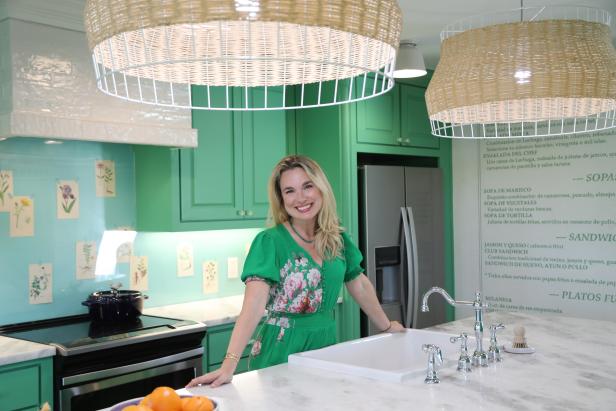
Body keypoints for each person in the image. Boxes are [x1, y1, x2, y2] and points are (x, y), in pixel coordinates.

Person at [186, 155, 404, 388]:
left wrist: (387, 326)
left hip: (326, 345)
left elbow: (358, 283)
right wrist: (228, 366)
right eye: (289, 191)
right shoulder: (269, 241)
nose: (300, 198)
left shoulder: (337, 239)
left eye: (307, 186)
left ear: (321, 188)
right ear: (281, 199)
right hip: (281, 348)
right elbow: (254, 305)